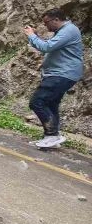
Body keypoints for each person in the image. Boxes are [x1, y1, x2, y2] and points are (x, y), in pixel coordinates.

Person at [23, 8, 85, 148]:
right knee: (51, 104)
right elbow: (48, 46)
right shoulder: (64, 31)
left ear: (56, 19)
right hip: (62, 73)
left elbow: (47, 47)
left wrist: (32, 35)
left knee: (37, 102)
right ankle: (52, 137)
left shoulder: (69, 30)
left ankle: (51, 135)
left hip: (62, 74)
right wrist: (35, 37)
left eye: (47, 22)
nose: (46, 26)